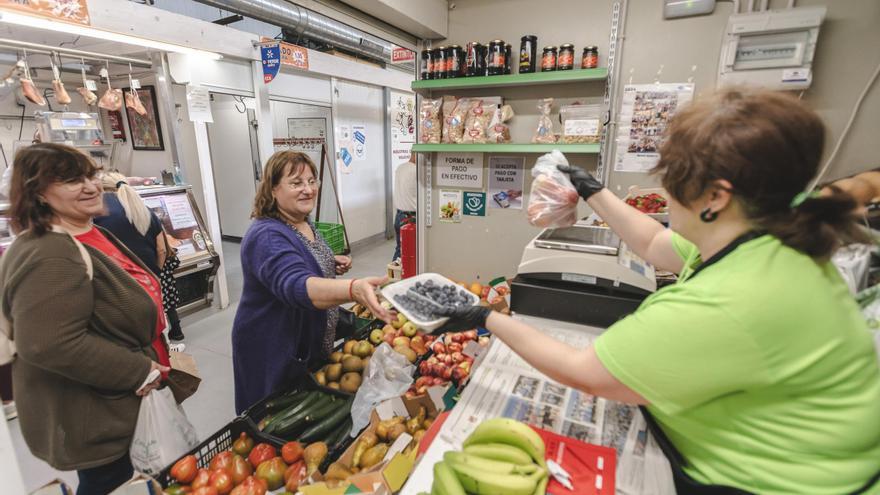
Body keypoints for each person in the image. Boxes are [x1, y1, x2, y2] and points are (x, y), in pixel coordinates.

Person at [439, 89, 880, 494]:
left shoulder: (727, 302)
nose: (665, 193)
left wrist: (484, 317)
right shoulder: (768, 229)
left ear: (715, 197)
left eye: (672, 179)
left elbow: (583, 371)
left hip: (774, 482)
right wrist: (590, 188)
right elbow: (653, 243)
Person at [0, 143, 170, 495]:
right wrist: (139, 369)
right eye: (72, 180)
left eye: (90, 175)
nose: (91, 186)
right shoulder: (50, 252)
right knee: (114, 484)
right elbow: (48, 343)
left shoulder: (89, 231)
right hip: (97, 416)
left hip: (122, 403)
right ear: (39, 194)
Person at [232, 150, 392, 413]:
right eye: (296, 183)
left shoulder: (301, 221)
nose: (308, 190)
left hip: (308, 339)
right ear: (273, 189)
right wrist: (353, 289)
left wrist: (328, 261)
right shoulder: (267, 235)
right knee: (275, 418)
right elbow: (295, 285)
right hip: (274, 345)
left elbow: (302, 258)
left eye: (311, 181)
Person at [95, 171, 185, 341]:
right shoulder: (144, 210)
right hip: (148, 277)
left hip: (118, 281)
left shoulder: (98, 214)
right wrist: (156, 273)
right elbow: (161, 249)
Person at [392, 152, 417, 261]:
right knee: (410, 252)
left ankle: (393, 276)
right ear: (416, 154)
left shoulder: (400, 168)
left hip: (399, 216)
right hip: (410, 218)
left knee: (400, 250)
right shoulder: (416, 170)